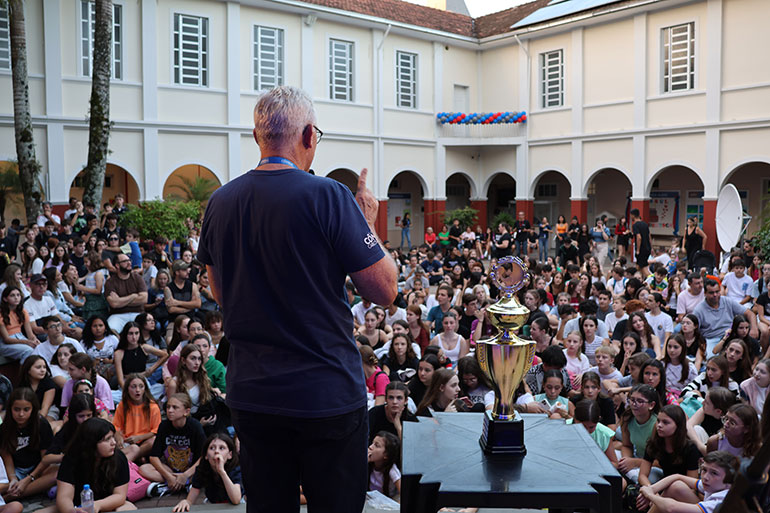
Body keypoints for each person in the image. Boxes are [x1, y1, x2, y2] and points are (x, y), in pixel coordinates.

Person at [197, 86, 397, 513]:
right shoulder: (328, 195)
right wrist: (368, 224)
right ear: (309, 135)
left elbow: (219, 292)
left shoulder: (219, 202)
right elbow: (385, 290)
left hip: (253, 395)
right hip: (324, 395)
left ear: (257, 138)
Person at [53, 418, 132, 513]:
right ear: (91, 443)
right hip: (78, 506)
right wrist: (72, 511)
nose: (113, 443)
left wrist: (97, 506)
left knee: (128, 509)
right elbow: (64, 497)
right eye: (107, 439)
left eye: (112, 437)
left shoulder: (119, 458)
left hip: (109, 504)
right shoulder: (72, 459)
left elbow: (120, 496)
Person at [139, 393, 206, 494]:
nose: (170, 410)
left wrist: (185, 475)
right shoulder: (164, 426)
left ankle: (171, 486)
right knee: (144, 469)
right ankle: (180, 484)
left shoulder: (195, 426)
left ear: (186, 411)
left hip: (191, 470)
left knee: (205, 471)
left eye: (175, 407)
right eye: (168, 407)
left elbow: (204, 456)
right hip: (171, 470)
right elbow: (153, 457)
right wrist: (168, 476)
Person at [0, 388, 57, 501]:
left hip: (38, 468)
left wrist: (29, 479)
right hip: (15, 469)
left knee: (56, 473)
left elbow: (45, 459)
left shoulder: (42, 424)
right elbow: (6, 457)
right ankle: (22, 489)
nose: (21, 414)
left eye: (26, 409)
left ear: (33, 409)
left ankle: (8, 497)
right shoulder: (4, 428)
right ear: (10, 409)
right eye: (16, 409)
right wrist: (13, 478)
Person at [638, 450, 738, 513]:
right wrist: (651, 489)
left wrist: (650, 495)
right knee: (676, 486)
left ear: (729, 479)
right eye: (704, 470)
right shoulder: (717, 484)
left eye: (714, 473)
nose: (706, 477)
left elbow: (671, 508)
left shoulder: (721, 500)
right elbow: (677, 477)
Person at [172, 433, 243, 511]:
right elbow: (190, 499)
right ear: (206, 455)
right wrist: (186, 502)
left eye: (221, 448)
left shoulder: (235, 469)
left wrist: (222, 472)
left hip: (235, 505)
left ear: (230, 455)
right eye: (212, 448)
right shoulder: (202, 469)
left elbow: (236, 500)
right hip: (213, 503)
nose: (216, 451)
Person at [694, 279, 758, 357]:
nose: (715, 295)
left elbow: (749, 313)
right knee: (710, 358)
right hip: (712, 338)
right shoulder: (699, 309)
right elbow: (694, 329)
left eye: (717, 292)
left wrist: (754, 329)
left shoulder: (727, 301)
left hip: (730, 335)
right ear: (705, 293)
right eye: (711, 293)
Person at [112, 373, 161, 462]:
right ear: (127, 389)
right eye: (133, 387)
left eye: (141, 386)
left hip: (144, 441)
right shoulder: (123, 405)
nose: (137, 390)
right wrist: (119, 437)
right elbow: (116, 426)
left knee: (153, 441)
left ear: (145, 389)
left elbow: (156, 431)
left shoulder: (153, 406)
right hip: (127, 440)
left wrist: (139, 437)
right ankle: (137, 458)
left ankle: (132, 457)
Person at [104, 253, 148, 334]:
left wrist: (120, 300)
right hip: (118, 315)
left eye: (129, 260)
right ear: (117, 265)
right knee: (110, 329)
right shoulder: (110, 282)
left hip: (138, 313)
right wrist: (133, 296)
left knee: (153, 326)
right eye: (125, 261)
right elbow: (114, 304)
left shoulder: (137, 278)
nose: (129, 263)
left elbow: (144, 299)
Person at [367, 431, 401, 500]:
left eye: (376, 445)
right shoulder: (368, 463)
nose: (370, 447)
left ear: (386, 455)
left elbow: (403, 492)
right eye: (372, 443)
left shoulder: (392, 470)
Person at [630, 208, 652, 277]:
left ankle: (652, 280)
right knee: (638, 266)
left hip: (641, 249)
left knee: (643, 268)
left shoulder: (635, 225)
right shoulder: (645, 224)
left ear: (633, 215)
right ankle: (638, 280)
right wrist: (651, 247)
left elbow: (639, 237)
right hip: (647, 248)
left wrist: (638, 250)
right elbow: (649, 236)